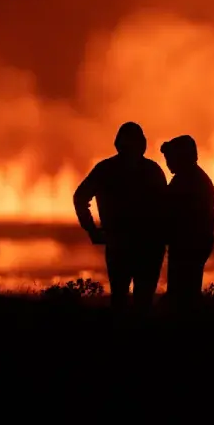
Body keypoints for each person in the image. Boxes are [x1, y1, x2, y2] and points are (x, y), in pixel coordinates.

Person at [73, 122, 167, 314]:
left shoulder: (106, 169)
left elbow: (80, 197)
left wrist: (92, 230)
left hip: (122, 244)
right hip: (147, 246)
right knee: (143, 302)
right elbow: (166, 208)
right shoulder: (152, 170)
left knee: (120, 301)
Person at [160, 135, 214, 312]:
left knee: (182, 298)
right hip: (192, 246)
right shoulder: (192, 178)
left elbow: (172, 212)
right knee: (186, 295)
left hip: (187, 247)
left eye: (170, 157)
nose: (168, 162)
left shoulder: (188, 181)